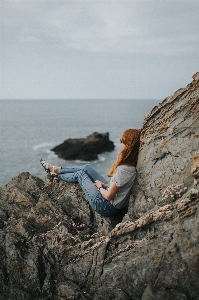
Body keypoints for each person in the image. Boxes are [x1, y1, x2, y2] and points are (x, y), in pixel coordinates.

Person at [40, 128, 141, 217]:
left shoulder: (124, 169)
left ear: (128, 146)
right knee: (87, 167)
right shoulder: (131, 165)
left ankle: (57, 175)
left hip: (105, 206)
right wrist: (105, 185)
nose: (120, 144)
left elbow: (109, 196)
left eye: (123, 142)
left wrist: (99, 187)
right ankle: (56, 169)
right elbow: (118, 186)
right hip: (109, 196)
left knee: (80, 174)